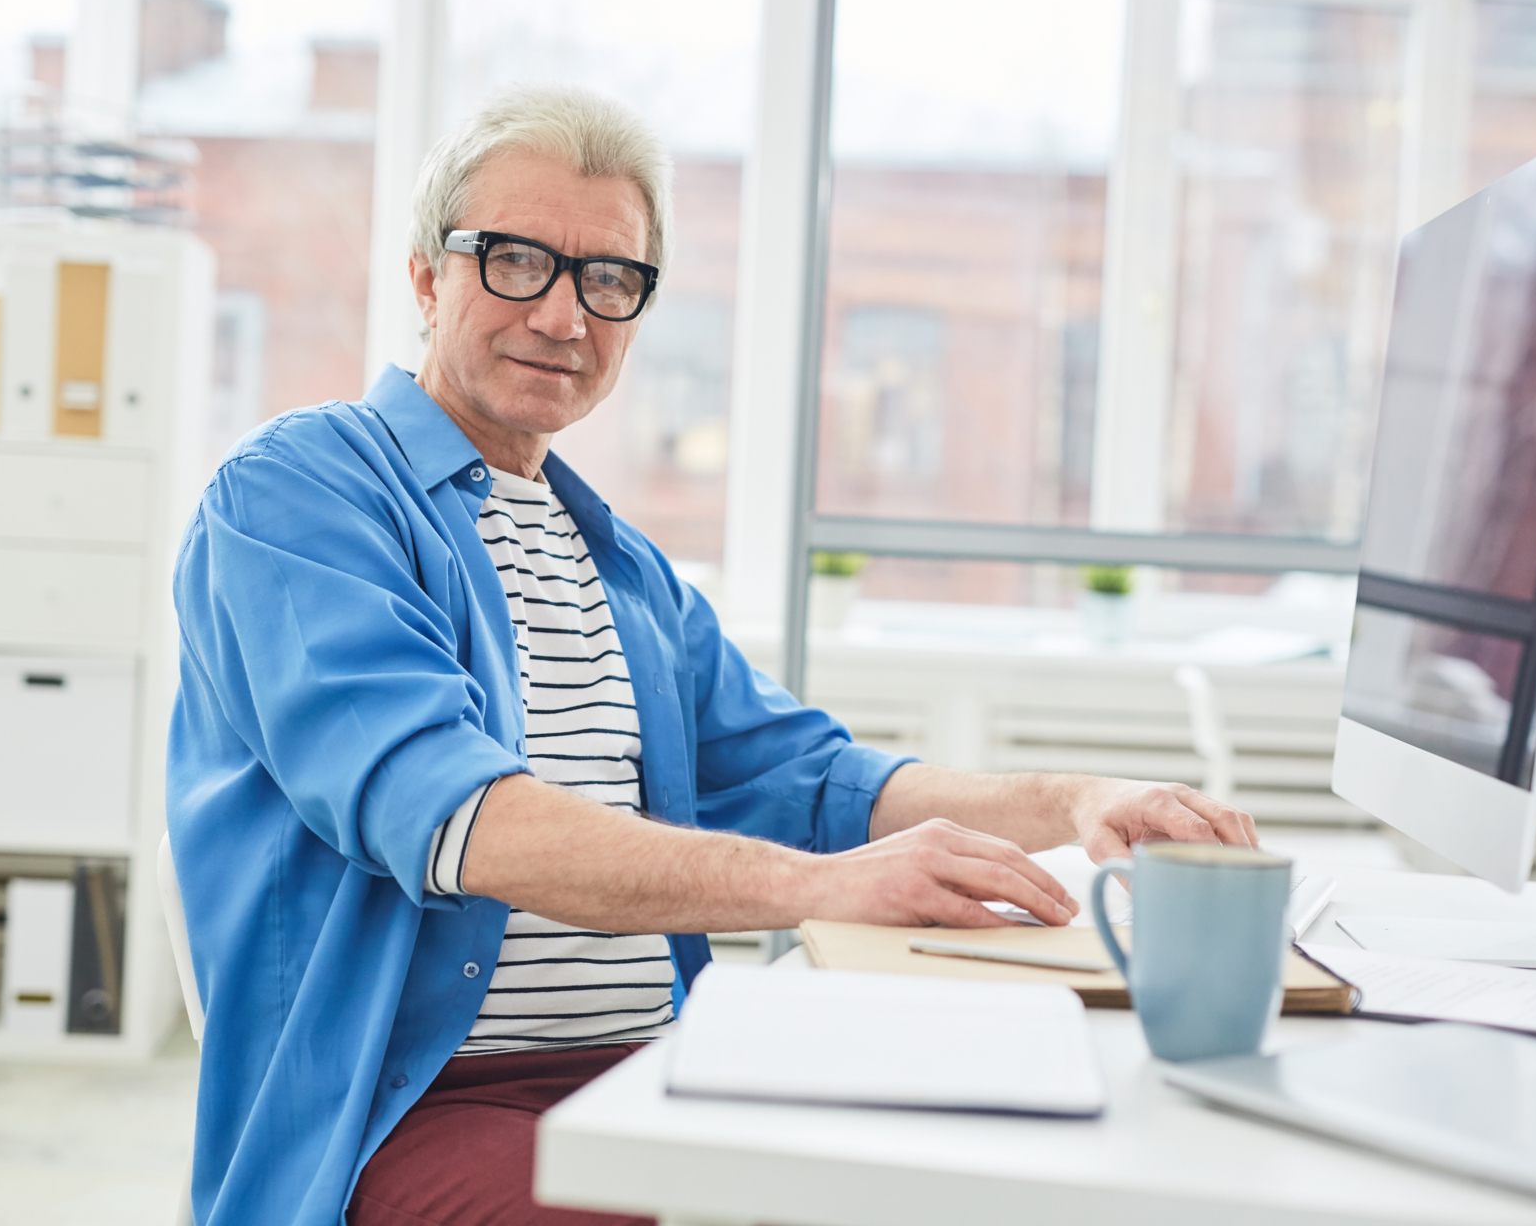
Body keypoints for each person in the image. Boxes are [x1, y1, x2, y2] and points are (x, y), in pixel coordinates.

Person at [166, 83, 1258, 1226]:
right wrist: (820, 887)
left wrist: (1079, 796)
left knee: (1019, 1164)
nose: (563, 315)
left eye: (608, 278)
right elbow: (454, 814)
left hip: (669, 1063)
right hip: (414, 1107)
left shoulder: (622, 568)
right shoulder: (301, 492)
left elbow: (817, 778)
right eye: (515, 261)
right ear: (428, 275)